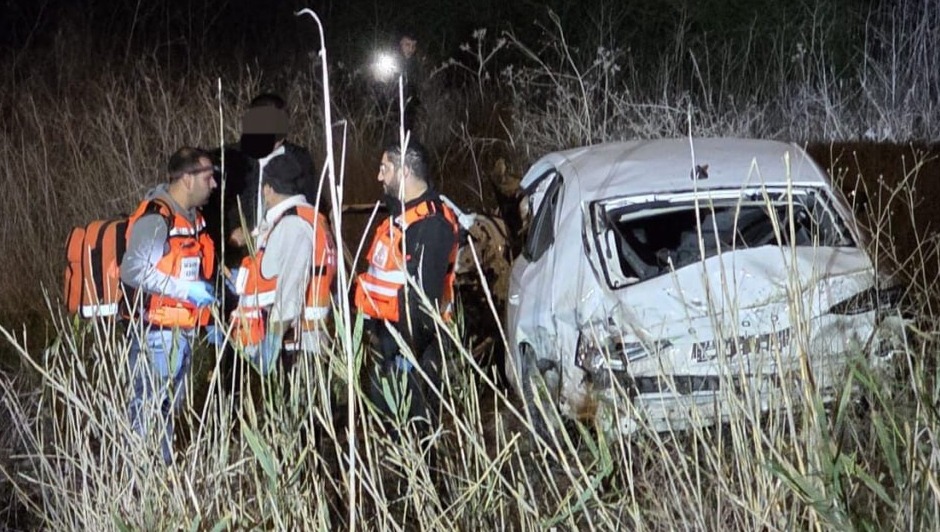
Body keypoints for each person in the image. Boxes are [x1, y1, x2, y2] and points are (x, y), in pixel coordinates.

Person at [121, 147, 218, 465]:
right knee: (148, 411)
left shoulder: (194, 219)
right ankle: (138, 478)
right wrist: (185, 289)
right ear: (187, 179)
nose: (214, 184)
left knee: (167, 411)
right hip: (156, 334)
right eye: (208, 176)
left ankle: (161, 473)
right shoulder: (156, 217)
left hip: (182, 331)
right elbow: (133, 270)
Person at [354, 139, 459, 432]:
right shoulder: (402, 218)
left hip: (413, 356)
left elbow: (422, 300)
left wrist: (406, 355)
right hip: (389, 349)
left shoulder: (431, 223)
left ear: (405, 171)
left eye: (384, 168)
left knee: (416, 437)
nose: (379, 176)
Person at [229, 154, 337, 377]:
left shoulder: (292, 226)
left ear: (268, 189)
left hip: (296, 347)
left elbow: (290, 292)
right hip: (301, 342)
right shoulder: (308, 219)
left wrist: (272, 344)